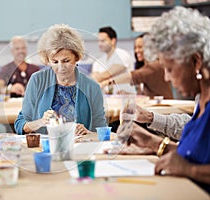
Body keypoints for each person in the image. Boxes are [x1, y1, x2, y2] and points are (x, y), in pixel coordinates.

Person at [118, 7, 210, 193]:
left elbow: (193, 162)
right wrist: (153, 143)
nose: (167, 78)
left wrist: (189, 169)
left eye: (169, 69)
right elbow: (196, 151)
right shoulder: (201, 99)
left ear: (196, 61)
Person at [14, 24, 107, 135]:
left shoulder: (92, 87)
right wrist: (41, 122)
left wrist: (88, 132)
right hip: (45, 148)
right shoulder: (37, 80)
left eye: (66, 61)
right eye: (55, 62)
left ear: (76, 57)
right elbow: (20, 124)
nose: (61, 67)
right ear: (47, 60)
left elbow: (102, 130)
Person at [99, 33, 173, 99]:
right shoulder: (146, 67)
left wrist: (106, 83)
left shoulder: (154, 66)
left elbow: (134, 76)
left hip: (164, 111)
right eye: (135, 48)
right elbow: (147, 96)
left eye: (140, 47)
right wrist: (129, 95)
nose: (136, 51)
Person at [90, 26, 135, 94]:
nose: (100, 44)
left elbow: (107, 74)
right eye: (98, 41)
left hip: (125, 97)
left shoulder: (122, 55)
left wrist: (100, 76)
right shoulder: (98, 61)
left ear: (113, 41)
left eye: (103, 41)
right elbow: (93, 80)